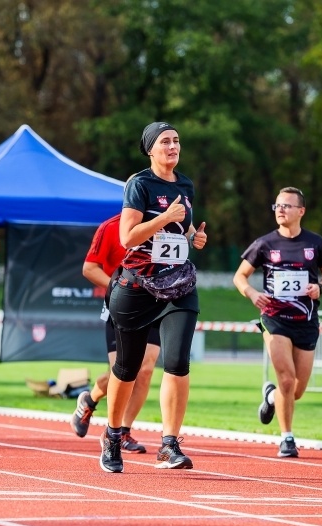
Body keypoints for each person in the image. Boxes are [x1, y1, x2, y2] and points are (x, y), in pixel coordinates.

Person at [99, 121, 207, 473]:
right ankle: (113, 435)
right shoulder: (139, 184)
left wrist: (194, 236)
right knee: (127, 369)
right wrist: (164, 218)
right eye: (165, 141)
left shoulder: (186, 184)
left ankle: (169, 444)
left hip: (178, 286)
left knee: (177, 362)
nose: (173, 146)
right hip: (137, 288)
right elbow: (128, 237)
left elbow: (183, 226)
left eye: (177, 140)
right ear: (150, 149)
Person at [232, 186, 322, 458]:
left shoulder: (315, 243)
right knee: (287, 381)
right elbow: (239, 276)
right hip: (275, 319)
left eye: (287, 206)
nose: (280, 210)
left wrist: (320, 288)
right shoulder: (265, 243)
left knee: (296, 390)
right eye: (277, 206)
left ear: (301, 211)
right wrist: (253, 293)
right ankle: (287, 438)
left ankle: (269, 397)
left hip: (307, 320)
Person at [70, 212, 161, 454]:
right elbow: (89, 268)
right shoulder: (110, 227)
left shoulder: (164, 225)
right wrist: (120, 288)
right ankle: (90, 400)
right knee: (122, 371)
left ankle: (122, 431)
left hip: (154, 306)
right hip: (121, 306)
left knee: (146, 369)